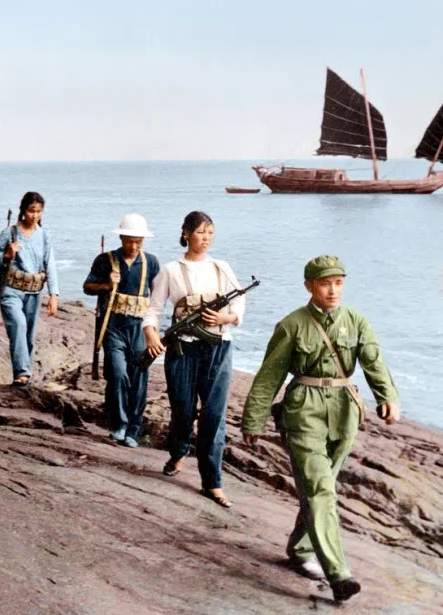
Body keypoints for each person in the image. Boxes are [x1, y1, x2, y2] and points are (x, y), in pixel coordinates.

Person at [242, 255, 400, 604]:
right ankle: (339, 574)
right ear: (309, 286)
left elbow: (373, 361)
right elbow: (270, 375)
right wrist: (253, 418)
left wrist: (387, 396)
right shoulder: (292, 325)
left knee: (320, 487)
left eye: (338, 283)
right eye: (325, 283)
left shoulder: (356, 320)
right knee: (320, 488)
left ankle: (299, 548)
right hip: (304, 412)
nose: (333, 290)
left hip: (344, 412)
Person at [143, 210, 245, 508]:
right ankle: (178, 452)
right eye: (201, 232)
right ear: (185, 233)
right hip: (182, 350)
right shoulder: (170, 270)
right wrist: (150, 334)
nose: (206, 238)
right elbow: (154, 309)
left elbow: (239, 300)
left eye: (210, 232)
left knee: (214, 416)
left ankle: (212, 482)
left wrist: (227, 316)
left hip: (218, 348)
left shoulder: (221, 267)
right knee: (182, 412)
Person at [83, 213, 160, 447]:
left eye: (139, 241)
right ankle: (119, 424)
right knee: (117, 374)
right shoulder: (105, 260)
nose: (134, 246)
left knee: (139, 378)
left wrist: (155, 331)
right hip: (113, 326)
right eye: (130, 241)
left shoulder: (151, 262)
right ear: (122, 238)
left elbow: (157, 298)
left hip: (139, 326)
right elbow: (87, 287)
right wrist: (108, 284)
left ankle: (134, 430)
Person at [0, 192, 59, 386]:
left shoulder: (44, 236)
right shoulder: (10, 233)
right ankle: (23, 372)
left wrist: (54, 294)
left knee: (28, 334)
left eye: (39, 211)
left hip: (34, 291)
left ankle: (23, 375)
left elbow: (50, 264)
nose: (34, 216)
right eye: (31, 211)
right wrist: (7, 254)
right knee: (18, 325)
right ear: (23, 211)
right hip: (11, 289)